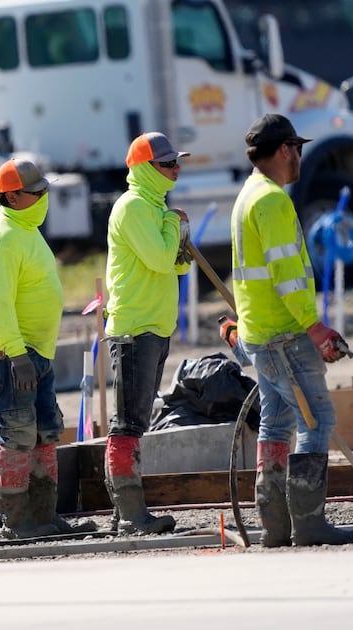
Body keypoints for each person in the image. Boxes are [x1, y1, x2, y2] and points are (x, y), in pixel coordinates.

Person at [228, 113, 353, 547]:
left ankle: (274, 525)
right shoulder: (271, 200)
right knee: (316, 418)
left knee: (277, 421)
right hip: (284, 333)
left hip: (261, 332)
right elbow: (287, 275)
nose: (300, 157)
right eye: (297, 149)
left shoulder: (248, 195)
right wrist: (316, 328)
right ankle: (307, 521)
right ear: (285, 150)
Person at [0, 157, 96, 539]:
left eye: (45, 189)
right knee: (18, 432)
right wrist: (17, 355)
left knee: (46, 430)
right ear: (12, 196)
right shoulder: (2, 238)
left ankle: (44, 515)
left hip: (35, 353)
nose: (44, 196)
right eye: (37, 191)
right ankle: (17, 520)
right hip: (9, 353)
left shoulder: (27, 228)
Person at [102, 132, 192, 535]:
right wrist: (174, 226)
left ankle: (129, 513)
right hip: (134, 330)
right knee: (128, 424)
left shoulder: (155, 207)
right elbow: (159, 258)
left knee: (135, 422)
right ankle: (130, 515)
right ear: (145, 168)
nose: (177, 169)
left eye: (177, 162)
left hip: (153, 327)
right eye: (169, 163)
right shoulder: (135, 207)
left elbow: (176, 266)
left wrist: (179, 238)